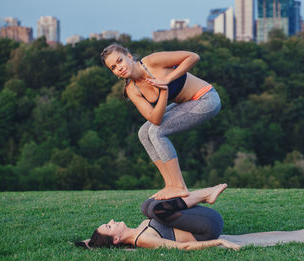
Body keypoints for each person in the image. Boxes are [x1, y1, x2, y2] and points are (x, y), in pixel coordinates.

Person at [100, 44, 221, 200]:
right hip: (186, 103)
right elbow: (155, 118)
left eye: (120, 61)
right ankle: (170, 184)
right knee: (144, 133)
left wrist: (167, 79)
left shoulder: (152, 62)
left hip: (207, 100)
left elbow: (193, 57)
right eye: (113, 67)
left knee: (156, 132)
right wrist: (164, 90)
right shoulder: (132, 89)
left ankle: (179, 186)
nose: (119, 68)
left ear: (129, 57)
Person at [76, 184, 240, 250]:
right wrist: (220, 242)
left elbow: (94, 242)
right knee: (156, 210)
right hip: (208, 228)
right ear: (117, 239)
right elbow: (183, 247)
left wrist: (90, 243)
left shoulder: (139, 229)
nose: (112, 221)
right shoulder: (143, 239)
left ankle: (176, 186)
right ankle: (205, 194)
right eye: (109, 227)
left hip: (202, 218)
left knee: (146, 207)